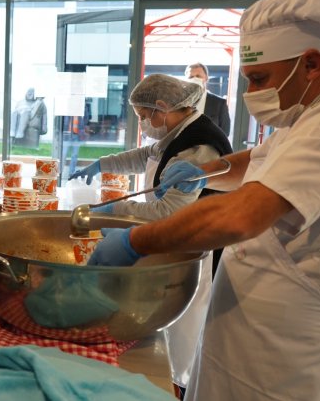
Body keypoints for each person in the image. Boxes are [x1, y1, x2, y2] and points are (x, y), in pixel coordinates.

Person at [88, 0, 320, 400]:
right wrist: (202, 172)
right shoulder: (309, 112)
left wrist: (133, 241)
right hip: (250, 319)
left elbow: (240, 217)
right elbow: (255, 161)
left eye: (260, 79)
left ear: (311, 63)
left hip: (292, 343)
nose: (251, 93)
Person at [69, 74, 232, 398]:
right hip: (168, 240)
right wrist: (103, 164)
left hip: (191, 250)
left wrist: (115, 213)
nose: (143, 124)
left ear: (162, 107)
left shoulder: (199, 146)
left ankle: (174, 388)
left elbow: (168, 214)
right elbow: (146, 156)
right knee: (159, 328)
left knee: (178, 337)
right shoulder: (177, 131)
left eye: (144, 117)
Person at [185, 62, 231, 137]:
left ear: (206, 78)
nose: (195, 79)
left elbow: (225, 133)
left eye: (198, 76)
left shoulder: (219, 103)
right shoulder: (179, 101)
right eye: (191, 77)